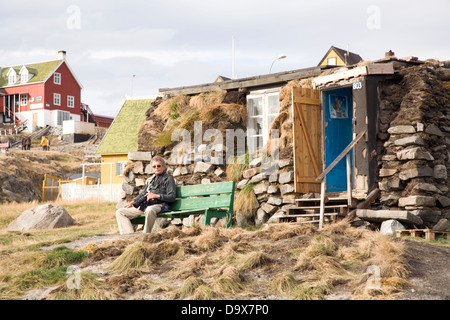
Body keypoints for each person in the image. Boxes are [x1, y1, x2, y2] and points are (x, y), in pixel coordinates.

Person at [115, 156, 176, 234]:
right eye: (154, 166)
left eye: (159, 166)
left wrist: (156, 196)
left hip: (159, 205)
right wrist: (133, 202)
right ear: (152, 168)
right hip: (145, 205)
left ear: (163, 167)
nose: (156, 168)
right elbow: (143, 193)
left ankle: (146, 235)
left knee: (149, 210)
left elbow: (172, 197)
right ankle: (129, 236)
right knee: (120, 212)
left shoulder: (169, 179)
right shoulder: (150, 180)